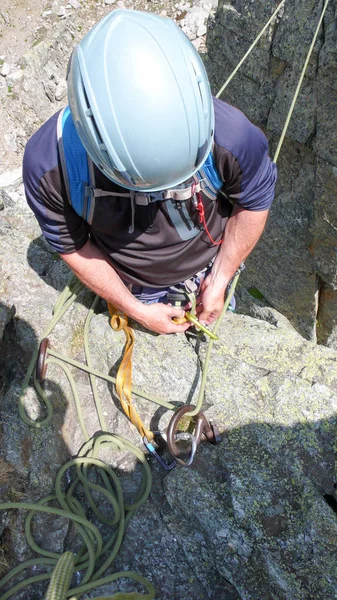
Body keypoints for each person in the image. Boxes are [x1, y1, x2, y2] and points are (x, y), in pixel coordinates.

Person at [23, 9, 277, 336]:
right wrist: (135, 309)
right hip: (129, 283)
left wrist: (219, 279)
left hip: (209, 270)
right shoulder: (51, 166)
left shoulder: (230, 137)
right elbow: (71, 244)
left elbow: (255, 200)